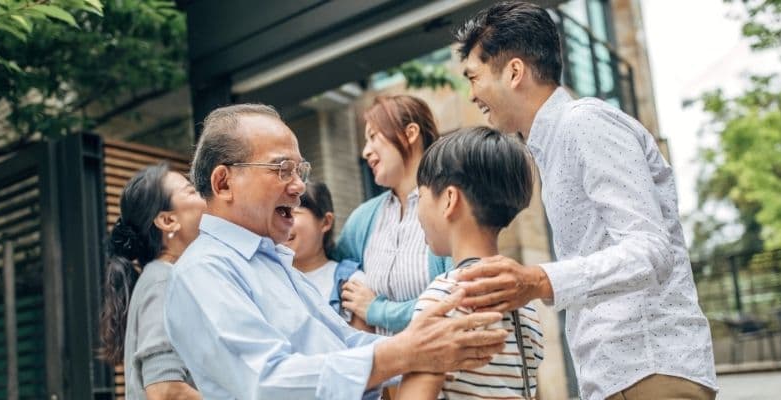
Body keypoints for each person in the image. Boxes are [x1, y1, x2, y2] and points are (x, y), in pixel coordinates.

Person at [450, 3, 718, 400]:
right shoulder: (551, 144)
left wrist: (539, 280)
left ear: (514, 71)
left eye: (474, 78)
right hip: (617, 379)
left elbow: (649, 251)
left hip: (650, 372)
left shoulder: (584, 123)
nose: (472, 95)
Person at [163, 103, 509, 399]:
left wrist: (422, 344)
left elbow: (343, 342)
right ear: (223, 183)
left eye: (300, 170)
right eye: (282, 169)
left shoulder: (273, 262)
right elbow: (269, 384)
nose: (299, 186)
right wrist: (405, 353)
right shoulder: (203, 271)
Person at [398, 127, 543, 400]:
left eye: (421, 196)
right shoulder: (527, 307)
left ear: (450, 200)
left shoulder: (444, 298)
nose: (418, 210)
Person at [336, 95, 452, 335]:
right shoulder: (362, 219)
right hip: (385, 370)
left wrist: (376, 310)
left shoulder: (450, 206)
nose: (366, 151)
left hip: (443, 368)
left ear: (410, 134)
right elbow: (333, 269)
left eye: (372, 137)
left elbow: (453, 300)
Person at [99, 163, 204, 400]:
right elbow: (165, 390)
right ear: (167, 221)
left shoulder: (166, 278)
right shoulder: (164, 281)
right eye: (191, 191)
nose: (204, 196)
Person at [284, 180, 370, 330]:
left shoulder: (349, 283)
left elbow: (367, 348)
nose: (283, 222)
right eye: (280, 212)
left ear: (325, 222)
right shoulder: (267, 277)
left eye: (294, 212)